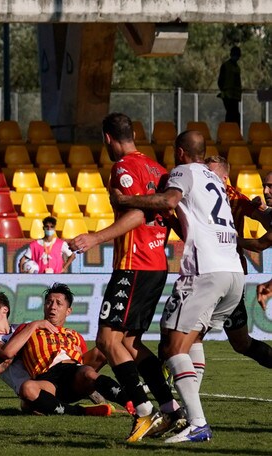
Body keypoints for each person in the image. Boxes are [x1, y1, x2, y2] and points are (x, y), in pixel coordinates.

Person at [112, 130, 245, 443]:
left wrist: (126, 199)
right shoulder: (216, 181)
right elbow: (191, 220)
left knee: (171, 345)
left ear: (181, 152)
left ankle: (196, 422)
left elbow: (170, 198)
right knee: (191, 338)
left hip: (205, 271)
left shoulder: (183, 172)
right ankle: (189, 414)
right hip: (233, 272)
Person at [69, 113, 183, 441]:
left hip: (135, 263)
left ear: (107, 138)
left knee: (107, 341)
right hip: (157, 263)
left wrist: (94, 238)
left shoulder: (122, 168)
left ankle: (144, 413)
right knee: (129, 343)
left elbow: (136, 214)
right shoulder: (158, 169)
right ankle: (170, 409)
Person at [0, 279, 118, 416]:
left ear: (4, 309)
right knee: (29, 405)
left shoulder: (24, 329)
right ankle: (80, 410)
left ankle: (126, 392)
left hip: (57, 376)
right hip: (37, 388)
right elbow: (5, 358)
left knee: (101, 351)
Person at [204, 156, 272, 369]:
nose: (266, 191)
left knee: (184, 334)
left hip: (227, 276)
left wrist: (229, 237)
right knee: (240, 342)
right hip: (211, 274)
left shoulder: (234, 198)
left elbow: (262, 241)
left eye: (271, 187)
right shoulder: (197, 193)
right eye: (265, 187)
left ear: (225, 177)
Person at [218, 46, 243, 124]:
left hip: (235, 96)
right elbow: (220, 81)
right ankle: (229, 132)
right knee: (231, 115)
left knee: (235, 116)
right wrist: (224, 92)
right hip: (228, 95)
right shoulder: (226, 66)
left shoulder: (237, 68)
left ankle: (233, 132)